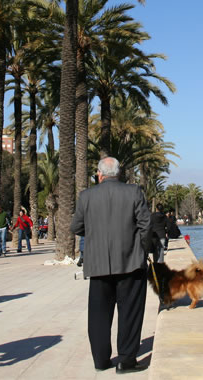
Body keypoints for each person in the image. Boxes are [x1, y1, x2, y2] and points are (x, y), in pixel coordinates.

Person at [71, 157, 151, 373]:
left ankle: (101, 361)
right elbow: (146, 224)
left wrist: (96, 233)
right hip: (131, 263)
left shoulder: (86, 196)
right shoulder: (134, 192)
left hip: (98, 266)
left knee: (98, 315)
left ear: (99, 174)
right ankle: (126, 360)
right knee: (130, 312)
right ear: (119, 173)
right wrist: (143, 249)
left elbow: (76, 226)